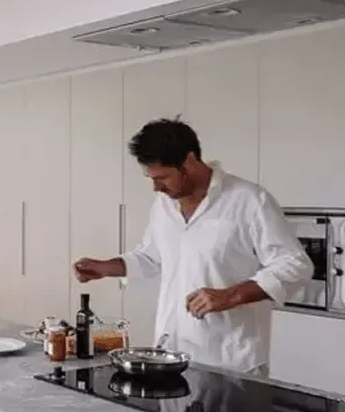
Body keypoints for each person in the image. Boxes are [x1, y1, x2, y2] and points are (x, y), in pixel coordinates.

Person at [73, 118, 312, 375]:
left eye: (163, 177)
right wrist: (106, 267)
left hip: (230, 362)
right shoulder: (164, 205)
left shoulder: (249, 200)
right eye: (150, 178)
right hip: (170, 356)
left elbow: (295, 265)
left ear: (189, 162)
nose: (156, 187)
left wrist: (229, 296)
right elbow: (151, 257)